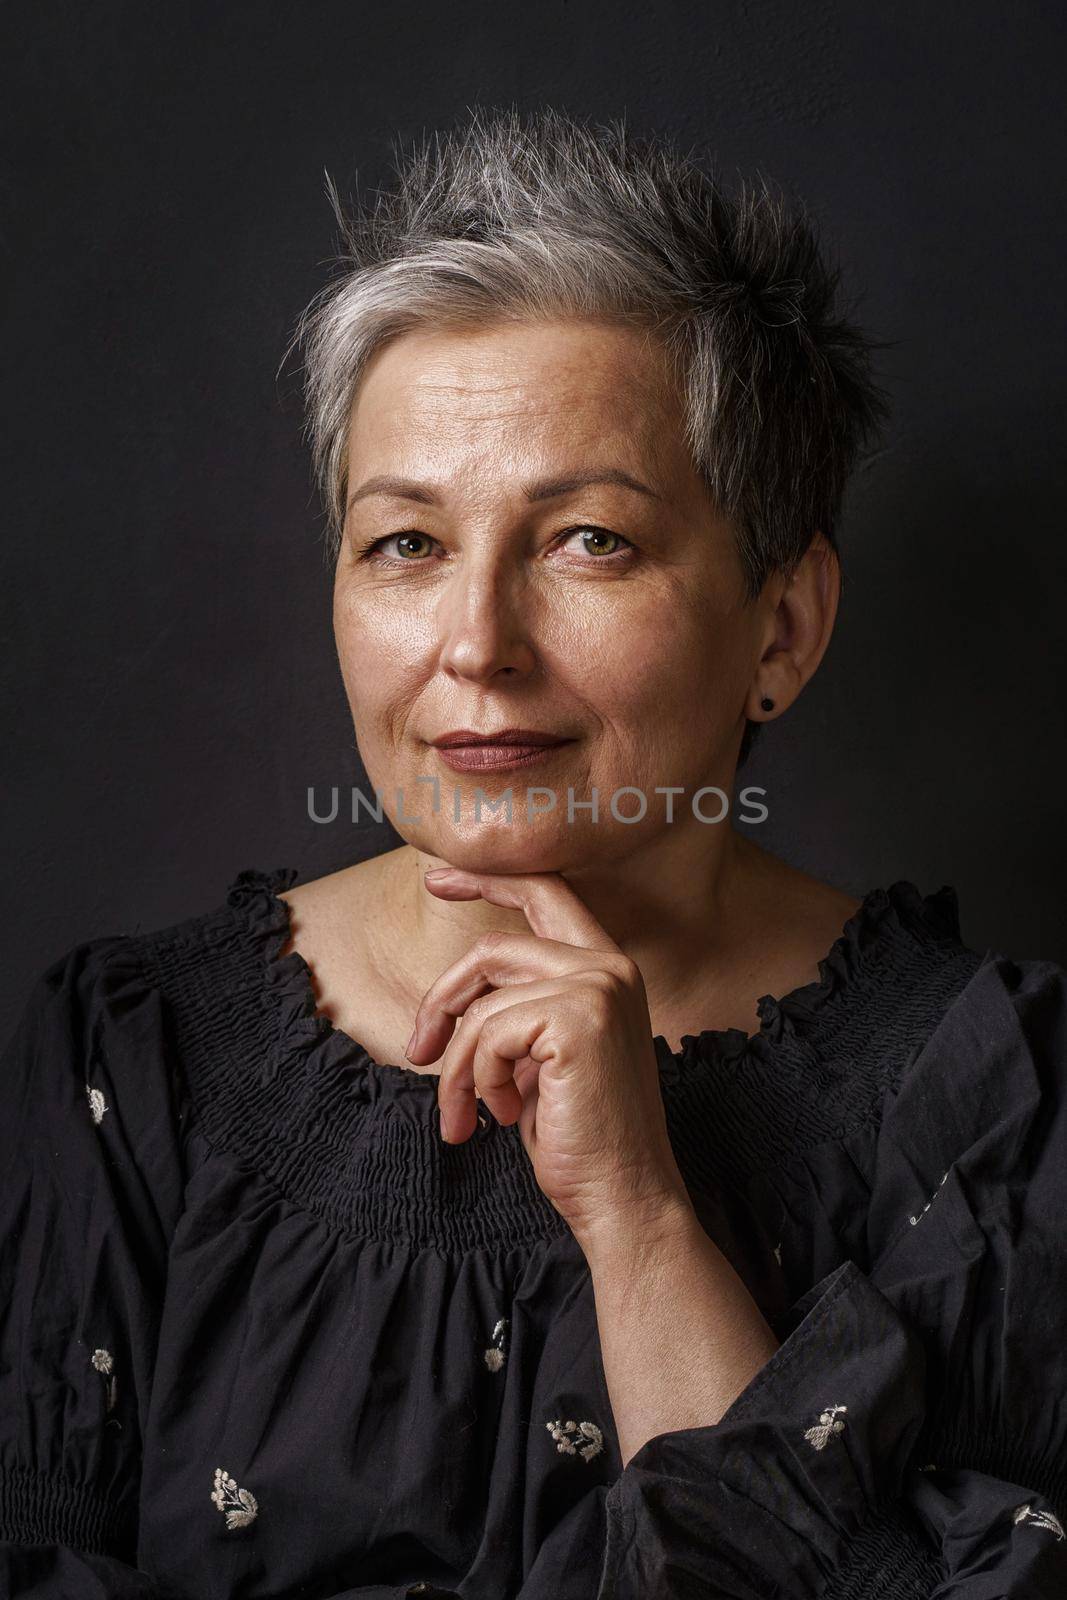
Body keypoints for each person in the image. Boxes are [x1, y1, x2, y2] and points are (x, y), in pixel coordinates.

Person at [1, 106, 1065, 1600]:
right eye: (406, 545)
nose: (478, 647)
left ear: (783, 627)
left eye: (589, 542)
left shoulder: (991, 1107)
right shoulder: (137, 1063)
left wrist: (638, 1218)